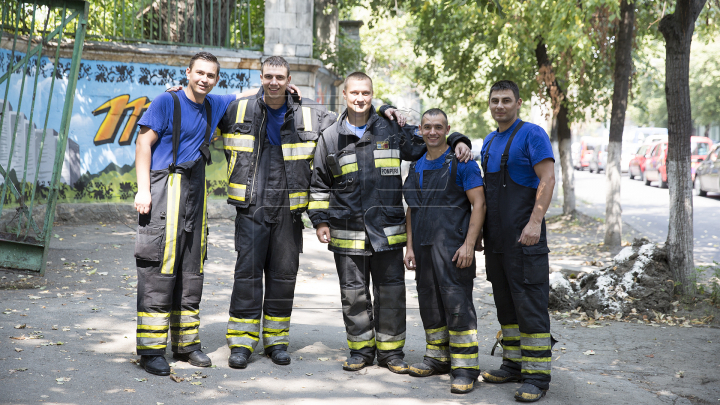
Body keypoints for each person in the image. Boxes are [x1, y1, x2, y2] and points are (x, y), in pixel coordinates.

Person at [308, 72, 473, 374]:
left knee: (391, 293)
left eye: (366, 93)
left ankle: (390, 352)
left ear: (373, 95)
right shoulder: (330, 137)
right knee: (353, 294)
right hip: (346, 232)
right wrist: (319, 220)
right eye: (354, 93)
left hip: (387, 231)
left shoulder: (391, 129)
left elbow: (430, 137)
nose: (360, 99)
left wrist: (458, 139)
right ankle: (360, 351)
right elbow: (319, 183)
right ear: (344, 94)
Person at [133, 52, 238, 376]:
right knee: (159, 269)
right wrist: (143, 189)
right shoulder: (167, 102)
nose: (205, 79)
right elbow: (143, 143)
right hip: (166, 188)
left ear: (217, 79)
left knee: (192, 269)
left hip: (196, 190)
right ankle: (151, 351)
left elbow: (254, 92)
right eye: (200, 73)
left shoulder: (214, 104)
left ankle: (186, 345)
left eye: (211, 75)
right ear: (188, 72)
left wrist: (286, 88)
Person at [479, 80, 556, 402]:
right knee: (506, 304)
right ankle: (513, 363)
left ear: (518, 102)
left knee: (530, 305)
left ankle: (537, 376)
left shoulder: (532, 134)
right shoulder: (488, 141)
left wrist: (535, 222)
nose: (500, 106)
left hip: (526, 238)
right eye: (495, 100)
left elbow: (548, 178)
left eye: (506, 100)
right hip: (497, 240)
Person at [402, 108, 486, 394]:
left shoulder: (462, 162)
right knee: (430, 302)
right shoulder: (416, 165)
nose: (433, 132)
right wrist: (410, 246)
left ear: (447, 129)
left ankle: (464, 367)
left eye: (439, 127)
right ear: (421, 130)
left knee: (457, 305)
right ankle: (437, 357)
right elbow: (412, 209)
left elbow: (479, 205)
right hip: (424, 248)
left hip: (453, 247)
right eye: (427, 127)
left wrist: (469, 245)